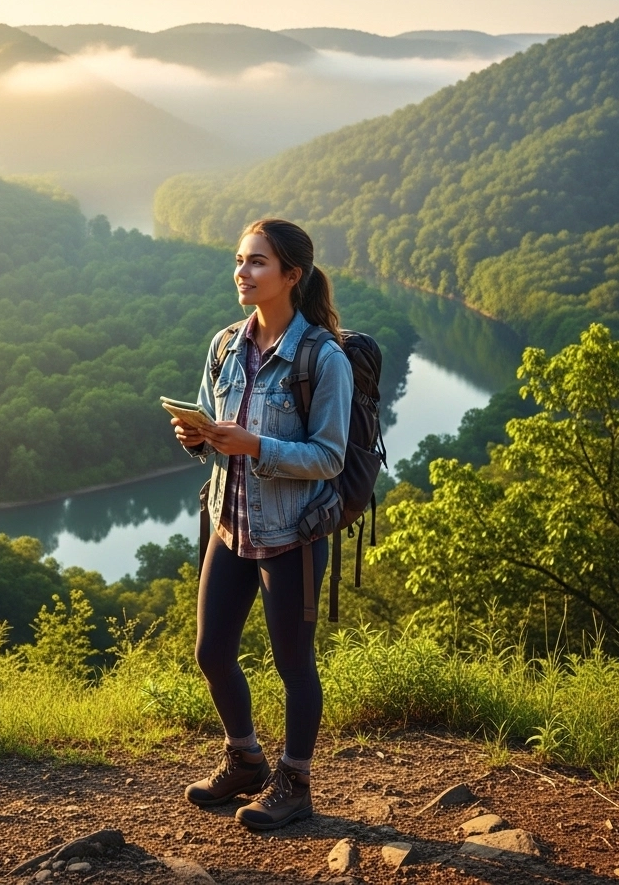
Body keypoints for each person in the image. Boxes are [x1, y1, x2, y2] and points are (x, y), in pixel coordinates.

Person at [170, 217, 352, 830]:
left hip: (291, 533)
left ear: (291, 276)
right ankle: (245, 759)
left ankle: (295, 782)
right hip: (230, 524)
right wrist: (198, 437)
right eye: (239, 260)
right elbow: (217, 433)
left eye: (256, 263)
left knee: (292, 665)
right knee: (212, 651)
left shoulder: (322, 358)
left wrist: (254, 445)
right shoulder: (225, 345)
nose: (241, 273)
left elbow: (329, 456)